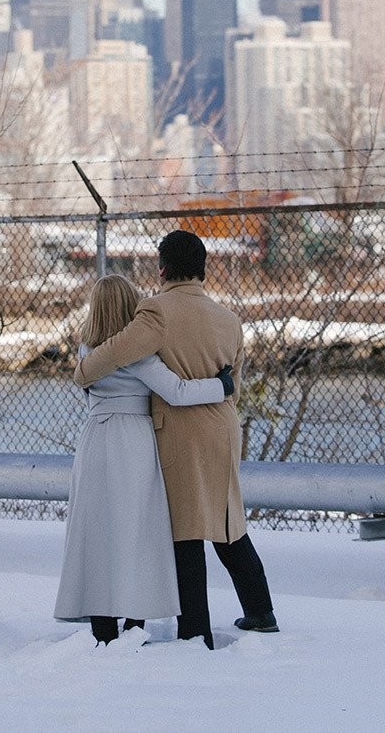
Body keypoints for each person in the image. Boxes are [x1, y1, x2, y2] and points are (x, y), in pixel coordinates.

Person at [73, 230, 276, 649]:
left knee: (185, 532)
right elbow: (232, 383)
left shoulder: (155, 312)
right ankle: (261, 611)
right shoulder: (229, 319)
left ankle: (194, 629)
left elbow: (117, 352)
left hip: (180, 432)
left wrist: (84, 371)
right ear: (203, 269)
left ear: (163, 268)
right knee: (226, 524)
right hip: (222, 427)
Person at [53, 275, 235, 645]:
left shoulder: (87, 350)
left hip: (95, 440)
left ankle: (101, 626)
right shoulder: (136, 355)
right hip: (133, 441)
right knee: (135, 531)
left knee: (97, 532)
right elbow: (177, 391)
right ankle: (133, 625)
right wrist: (221, 386)